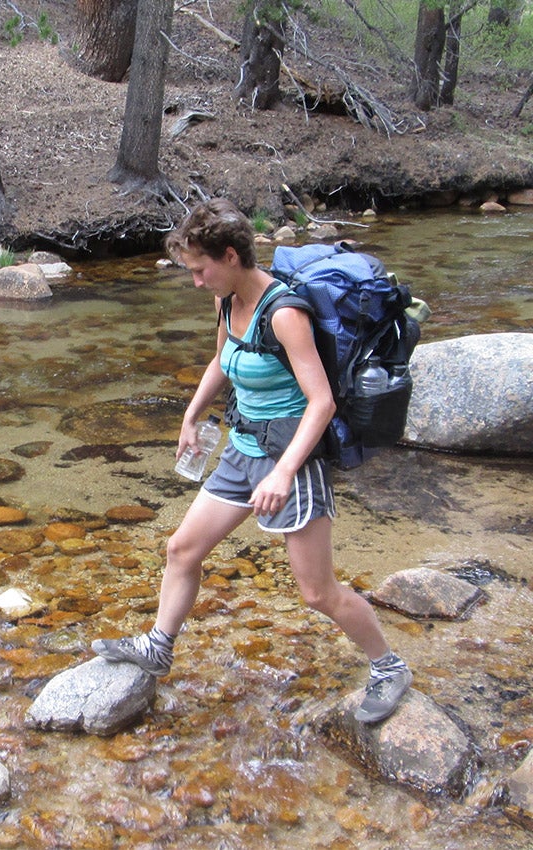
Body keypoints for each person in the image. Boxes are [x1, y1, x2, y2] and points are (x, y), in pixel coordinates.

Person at [92, 198, 412, 724]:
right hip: (241, 451)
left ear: (230, 256)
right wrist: (191, 416)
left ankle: (389, 666)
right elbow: (223, 360)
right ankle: (158, 645)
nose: (195, 281)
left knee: (316, 591)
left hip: (291, 461)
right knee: (181, 550)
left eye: (200, 269)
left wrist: (286, 471)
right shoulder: (226, 301)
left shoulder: (284, 313)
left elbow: (322, 402)